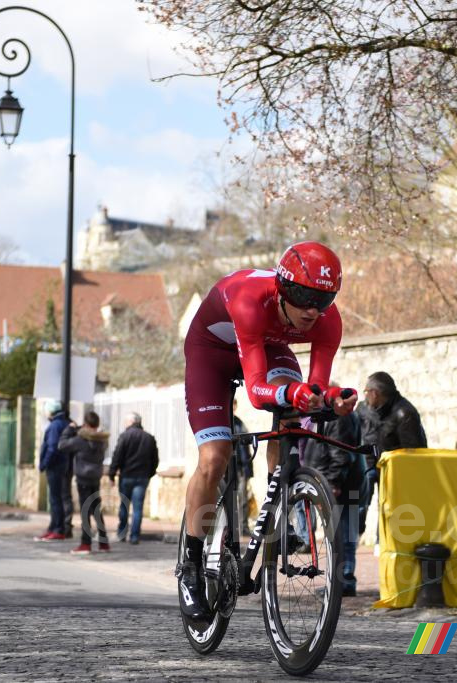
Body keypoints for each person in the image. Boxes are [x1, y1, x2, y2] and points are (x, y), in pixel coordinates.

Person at [177, 240, 358, 619]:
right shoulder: (249, 299)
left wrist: (329, 399)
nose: (313, 310)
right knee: (215, 457)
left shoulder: (328, 320)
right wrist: (293, 392)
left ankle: (283, 496)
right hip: (213, 352)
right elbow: (260, 392)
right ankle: (191, 567)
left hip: (268, 346)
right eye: (303, 296)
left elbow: (316, 385)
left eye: (323, 300)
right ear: (282, 288)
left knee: (292, 415)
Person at [302, 385, 364, 596]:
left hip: (343, 485)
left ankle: (344, 581)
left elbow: (340, 453)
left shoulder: (340, 418)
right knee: (341, 535)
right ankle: (341, 580)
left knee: (343, 535)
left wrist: (333, 483)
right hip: (342, 482)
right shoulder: (331, 418)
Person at [357, 371, 427, 534]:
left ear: (375, 393)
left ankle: (382, 542)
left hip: (391, 469)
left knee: (387, 507)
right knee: (359, 504)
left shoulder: (404, 413)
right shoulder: (363, 408)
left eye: (366, 392)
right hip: (367, 463)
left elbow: (413, 452)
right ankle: (354, 536)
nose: (365, 396)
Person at [58, 410, 111, 555]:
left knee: (85, 511)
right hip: (96, 478)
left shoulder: (80, 440)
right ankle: (103, 543)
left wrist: (69, 429)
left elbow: (62, 445)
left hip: (83, 479)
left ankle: (85, 543)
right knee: (96, 510)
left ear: (86, 424)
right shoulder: (102, 440)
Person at [109, 412, 158, 545]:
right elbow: (155, 460)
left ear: (131, 422)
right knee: (138, 508)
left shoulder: (125, 436)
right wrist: (150, 473)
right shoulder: (149, 438)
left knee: (124, 506)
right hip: (142, 477)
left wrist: (111, 474)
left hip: (126, 476)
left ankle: (122, 534)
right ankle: (135, 536)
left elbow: (117, 456)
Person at [35, 400, 69, 542]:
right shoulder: (64, 422)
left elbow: (52, 447)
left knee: (55, 499)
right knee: (57, 498)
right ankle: (53, 527)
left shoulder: (55, 425)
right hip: (62, 464)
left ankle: (57, 529)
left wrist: (44, 463)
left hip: (55, 465)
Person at [232, 399, 253, 536]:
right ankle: (230, 527)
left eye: (235, 404)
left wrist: (248, 470)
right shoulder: (225, 422)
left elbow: (247, 444)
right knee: (229, 497)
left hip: (241, 467)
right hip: (228, 467)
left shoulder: (239, 423)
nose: (234, 407)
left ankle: (243, 527)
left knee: (243, 498)